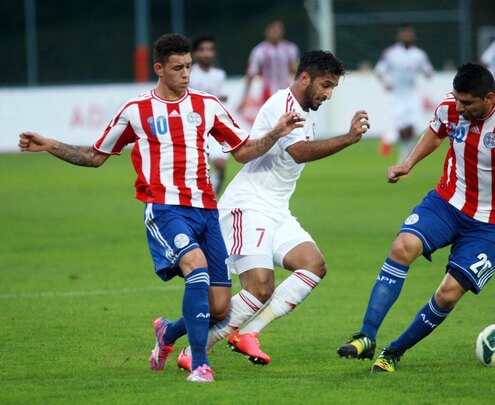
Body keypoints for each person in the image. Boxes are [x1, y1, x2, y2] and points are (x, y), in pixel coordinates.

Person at [18, 33, 303, 383]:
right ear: (159, 69)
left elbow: (242, 151)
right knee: (195, 268)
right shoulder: (136, 111)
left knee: (219, 307)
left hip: (206, 212)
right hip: (165, 209)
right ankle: (200, 364)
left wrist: (274, 134)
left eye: (189, 67)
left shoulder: (206, 104)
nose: (186, 75)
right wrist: (50, 144)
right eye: (178, 68)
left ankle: (167, 334)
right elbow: (94, 157)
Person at [337, 63, 495, 373]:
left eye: (467, 103)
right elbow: (436, 132)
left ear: (490, 98)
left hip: (494, 223)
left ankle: (393, 352)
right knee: (402, 247)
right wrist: (408, 163)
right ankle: (366, 336)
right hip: (448, 202)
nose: (459, 107)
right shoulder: (450, 107)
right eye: (457, 99)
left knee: (448, 292)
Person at [177, 50, 370, 369]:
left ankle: (248, 332)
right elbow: (297, 151)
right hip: (248, 206)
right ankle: (194, 352)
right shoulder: (282, 104)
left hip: (276, 209)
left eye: (332, 87)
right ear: (305, 77)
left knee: (313, 265)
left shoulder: (306, 111)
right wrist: (348, 139)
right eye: (325, 85)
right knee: (261, 286)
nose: (328, 94)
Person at [375, 24, 433, 162]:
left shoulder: (419, 54)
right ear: (399, 36)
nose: (407, 36)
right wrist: (386, 83)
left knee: (412, 131)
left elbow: (428, 72)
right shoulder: (390, 53)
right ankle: (389, 137)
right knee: (403, 131)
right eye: (404, 34)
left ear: (413, 36)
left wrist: (426, 73)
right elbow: (379, 71)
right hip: (397, 96)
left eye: (409, 34)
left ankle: (403, 162)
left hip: (412, 95)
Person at [189, 33, 229, 195]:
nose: (206, 53)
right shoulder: (189, 74)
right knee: (195, 169)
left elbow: (215, 98)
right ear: (194, 54)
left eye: (210, 49)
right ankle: (199, 198)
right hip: (193, 127)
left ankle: (212, 196)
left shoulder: (219, 75)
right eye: (202, 49)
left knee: (220, 165)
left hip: (213, 126)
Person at [238, 20, 299, 122]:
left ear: (282, 31)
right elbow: (251, 74)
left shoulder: (291, 49)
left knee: (289, 120)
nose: (275, 32)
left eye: (278, 29)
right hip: (267, 93)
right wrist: (244, 97)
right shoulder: (259, 51)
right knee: (271, 122)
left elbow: (296, 71)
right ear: (266, 31)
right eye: (272, 29)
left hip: (287, 91)